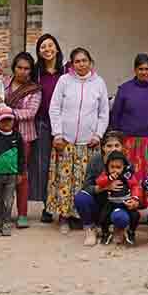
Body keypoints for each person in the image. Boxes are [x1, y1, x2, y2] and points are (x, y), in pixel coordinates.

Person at [47, 47, 109, 235]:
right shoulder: (64, 81)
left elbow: (104, 112)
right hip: (65, 142)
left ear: (90, 62)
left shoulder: (99, 83)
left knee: (84, 181)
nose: (81, 64)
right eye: (77, 61)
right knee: (64, 181)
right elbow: (55, 108)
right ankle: (64, 217)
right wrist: (57, 134)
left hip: (88, 143)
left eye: (84, 60)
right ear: (72, 65)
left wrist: (98, 134)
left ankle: (80, 216)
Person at [75, 132, 143, 247]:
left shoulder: (126, 163)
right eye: (109, 146)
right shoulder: (96, 160)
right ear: (103, 147)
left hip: (119, 203)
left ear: (122, 147)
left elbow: (135, 185)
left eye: (117, 145)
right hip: (100, 204)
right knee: (81, 197)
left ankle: (119, 228)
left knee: (121, 217)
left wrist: (135, 199)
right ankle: (91, 229)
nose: (113, 149)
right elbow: (87, 187)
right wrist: (105, 187)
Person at [109, 53, 148, 181]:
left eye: (147, 69)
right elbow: (116, 115)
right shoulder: (125, 89)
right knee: (128, 177)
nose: (144, 72)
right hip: (128, 143)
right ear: (135, 70)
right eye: (140, 69)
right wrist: (115, 140)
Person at [3, 52, 40, 228]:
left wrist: (6, 113)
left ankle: (23, 214)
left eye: (26, 68)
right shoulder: (3, 83)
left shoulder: (34, 89)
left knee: (21, 175)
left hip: (23, 137)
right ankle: (2, 213)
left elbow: (30, 113)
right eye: (19, 67)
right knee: (1, 172)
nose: (22, 71)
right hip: (2, 136)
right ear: (14, 68)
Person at [32, 33, 64, 224]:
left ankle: (64, 205)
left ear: (57, 48)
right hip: (43, 123)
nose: (47, 49)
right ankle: (47, 206)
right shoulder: (36, 73)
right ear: (38, 51)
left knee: (63, 165)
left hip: (63, 124)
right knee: (44, 166)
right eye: (43, 47)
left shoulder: (67, 71)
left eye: (50, 45)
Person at [0, 106, 25, 238]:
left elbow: (21, 156)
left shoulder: (18, 136)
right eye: (3, 120)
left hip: (12, 174)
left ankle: (6, 223)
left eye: (9, 120)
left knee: (8, 200)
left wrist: (20, 173)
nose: (7, 123)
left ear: (13, 121)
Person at [94, 146, 143, 246]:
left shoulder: (127, 175)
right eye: (112, 167)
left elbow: (135, 186)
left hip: (125, 202)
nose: (115, 170)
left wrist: (134, 199)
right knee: (103, 217)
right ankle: (105, 233)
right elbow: (98, 182)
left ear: (124, 167)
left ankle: (131, 232)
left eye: (118, 167)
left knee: (135, 215)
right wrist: (108, 179)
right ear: (107, 166)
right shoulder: (106, 174)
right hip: (111, 202)